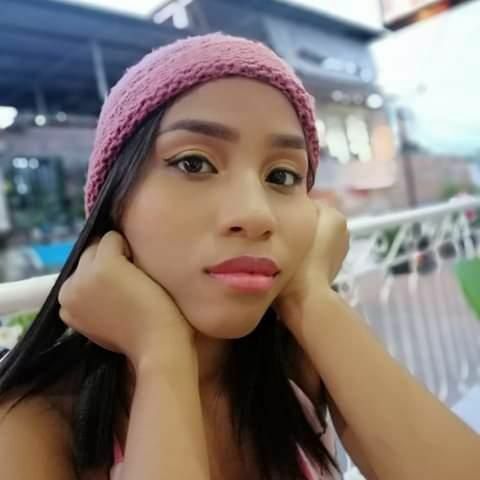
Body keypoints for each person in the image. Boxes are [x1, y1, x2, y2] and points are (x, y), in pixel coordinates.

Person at [0, 33, 477, 480]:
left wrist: (311, 299)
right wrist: (161, 356)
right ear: (114, 200)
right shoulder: (31, 423)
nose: (255, 214)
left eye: (282, 176)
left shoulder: (294, 364)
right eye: (194, 163)